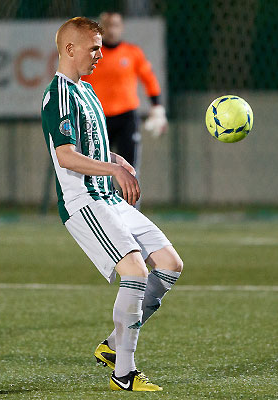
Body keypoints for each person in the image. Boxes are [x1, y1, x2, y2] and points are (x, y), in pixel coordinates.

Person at [41, 17, 183, 392]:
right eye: (93, 48)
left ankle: (114, 344)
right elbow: (67, 157)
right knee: (135, 272)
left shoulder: (86, 90)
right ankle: (124, 372)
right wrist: (112, 170)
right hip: (84, 202)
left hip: (106, 196)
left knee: (169, 264)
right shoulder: (58, 96)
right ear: (70, 49)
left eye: (101, 47)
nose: (100, 55)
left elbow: (90, 146)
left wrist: (114, 159)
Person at [82, 11, 167, 188]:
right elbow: (79, 85)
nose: (111, 30)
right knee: (97, 169)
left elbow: (149, 79)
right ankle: (101, 210)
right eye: (107, 25)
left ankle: (130, 211)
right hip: (98, 119)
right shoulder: (91, 55)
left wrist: (157, 108)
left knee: (130, 169)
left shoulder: (132, 53)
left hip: (126, 117)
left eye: (115, 25)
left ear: (121, 28)